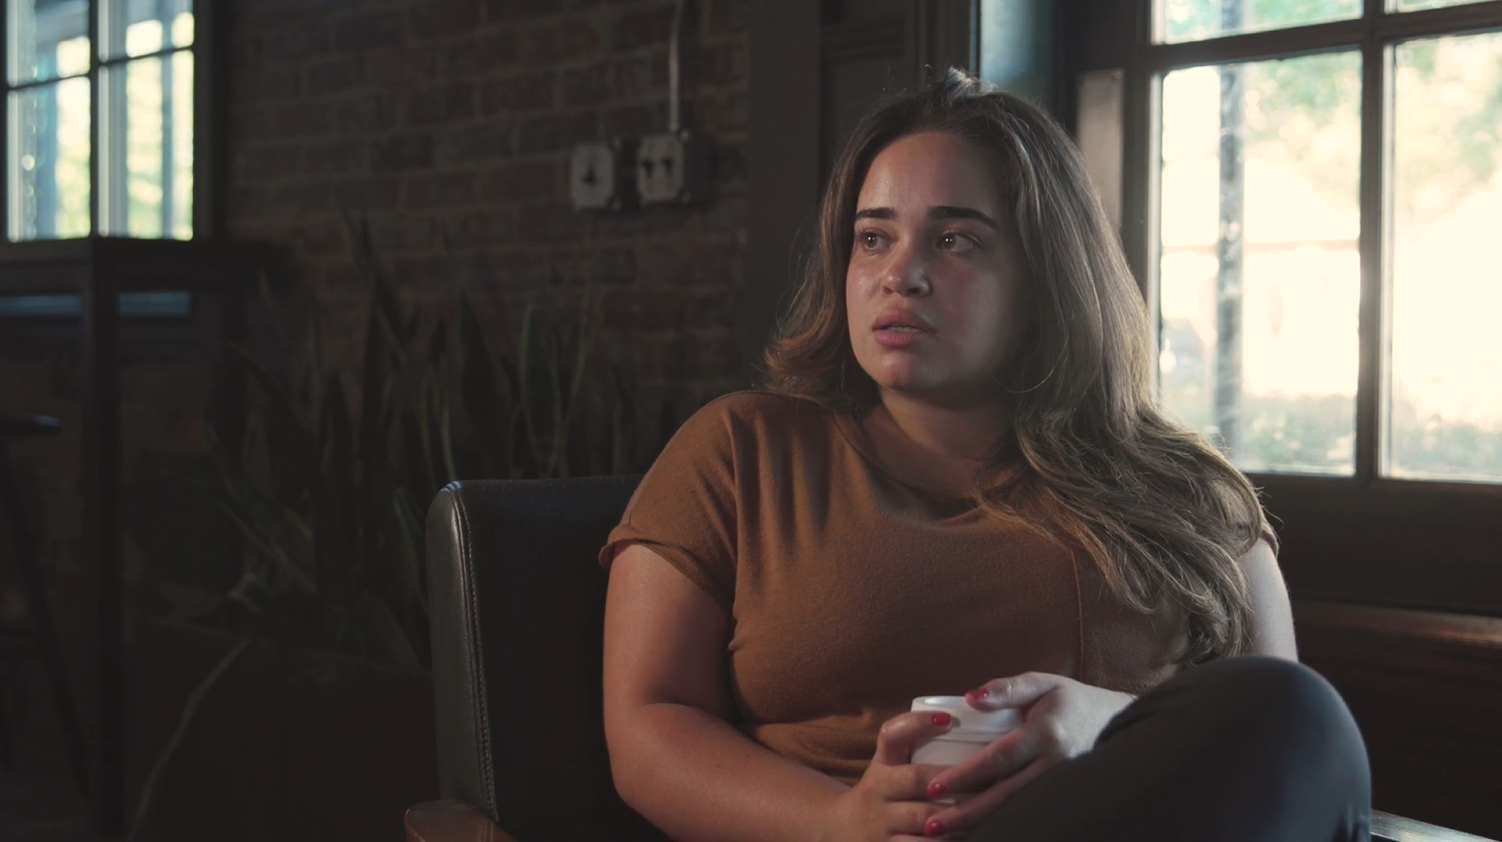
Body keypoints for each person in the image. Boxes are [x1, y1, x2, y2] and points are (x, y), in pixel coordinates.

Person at [598, 68, 1370, 842]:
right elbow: (649, 722)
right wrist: (840, 821)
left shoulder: (1189, 495)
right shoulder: (745, 452)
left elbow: (1281, 744)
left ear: (1044, 273)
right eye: (873, 238)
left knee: (1300, 709)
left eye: (954, 240)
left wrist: (1110, 724)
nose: (900, 276)